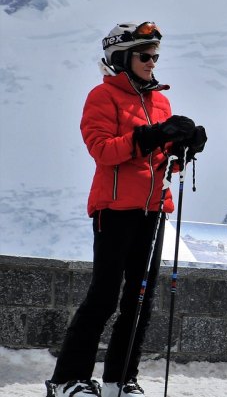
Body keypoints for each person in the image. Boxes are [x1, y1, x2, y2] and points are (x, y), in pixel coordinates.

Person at [46, 22, 207, 397]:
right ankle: (68, 379)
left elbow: (166, 163)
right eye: (144, 55)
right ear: (122, 58)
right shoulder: (102, 98)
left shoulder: (159, 101)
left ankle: (121, 379)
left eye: (155, 56)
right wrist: (152, 135)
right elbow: (102, 150)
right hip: (115, 209)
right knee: (103, 297)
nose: (152, 62)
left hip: (153, 210)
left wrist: (185, 148)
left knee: (140, 298)